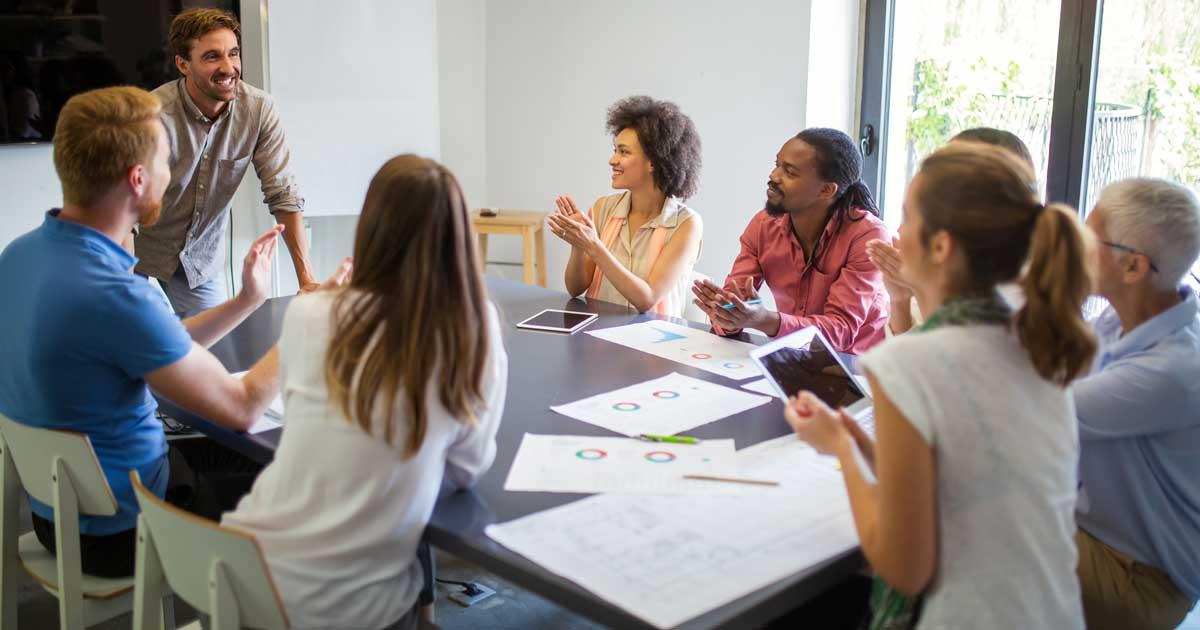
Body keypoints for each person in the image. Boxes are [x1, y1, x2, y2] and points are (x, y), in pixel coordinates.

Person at [0, 86, 346, 578]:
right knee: (330, 484)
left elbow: (146, 341)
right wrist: (314, 318)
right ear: (138, 179)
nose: (172, 174)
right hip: (128, 529)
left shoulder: (20, 256)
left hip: (56, 515)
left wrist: (247, 299)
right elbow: (243, 407)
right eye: (168, 160)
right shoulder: (115, 294)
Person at [785, 142, 1096, 628]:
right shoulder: (1042, 340)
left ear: (940, 246)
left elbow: (904, 567)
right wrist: (862, 445)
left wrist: (843, 451)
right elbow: (968, 469)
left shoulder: (911, 363)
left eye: (907, 218)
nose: (895, 231)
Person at [223, 155, 507, 630]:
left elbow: (303, 420)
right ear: (457, 238)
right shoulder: (471, 332)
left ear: (371, 228)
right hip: (351, 610)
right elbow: (466, 468)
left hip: (243, 573)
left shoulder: (310, 313)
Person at [1074, 178, 1200, 629]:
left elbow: (1032, 405)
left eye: (1088, 240)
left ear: (1133, 267)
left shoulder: (1172, 371)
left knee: (965, 524)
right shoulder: (1124, 317)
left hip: (1137, 576)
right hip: (1097, 534)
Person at [134, 8, 319, 314]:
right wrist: (123, 276)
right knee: (139, 351)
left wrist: (307, 278)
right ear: (183, 64)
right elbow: (123, 200)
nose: (229, 67)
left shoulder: (258, 110)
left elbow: (283, 193)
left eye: (233, 54)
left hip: (199, 263)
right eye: (212, 57)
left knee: (216, 350)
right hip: (139, 257)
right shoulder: (152, 115)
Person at [691, 128, 888, 354]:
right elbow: (735, 301)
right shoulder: (764, 226)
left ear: (826, 190)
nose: (774, 176)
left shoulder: (867, 236)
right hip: (794, 358)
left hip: (858, 368)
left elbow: (840, 331)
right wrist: (727, 314)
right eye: (777, 164)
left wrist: (764, 320)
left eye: (790, 172)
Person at [868, 127, 1034, 335]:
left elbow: (934, 355)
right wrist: (900, 301)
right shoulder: (943, 267)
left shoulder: (1013, 295)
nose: (900, 230)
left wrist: (921, 290)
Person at [548, 95, 703, 316]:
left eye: (624, 152)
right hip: (597, 341)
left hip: (653, 345)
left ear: (654, 162)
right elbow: (575, 288)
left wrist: (593, 246)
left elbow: (646, 299)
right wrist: (578, 244)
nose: (613, 160)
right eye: (615, 150)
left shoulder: (687, 225)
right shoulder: (603, 208)